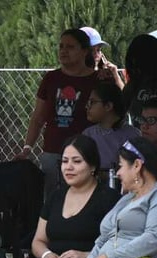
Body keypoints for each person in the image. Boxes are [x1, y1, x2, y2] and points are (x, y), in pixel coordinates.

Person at [0, 135, 119, 258]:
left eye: (76, 161)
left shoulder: (107, 198)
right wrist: (46, 255)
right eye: (65, 161)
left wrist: (82, 255)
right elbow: (38, 240)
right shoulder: (56, 196)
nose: (69, 167)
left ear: (92, 166)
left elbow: (116, 243)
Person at [16, 29, 103, 198]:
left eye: (70, 47)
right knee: (51, 203)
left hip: (86, 154)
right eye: (61, 46)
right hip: (52, 152)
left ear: (84, 51)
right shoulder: (51, 78)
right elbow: (38, 117)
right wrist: (27, 148)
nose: (63, 51)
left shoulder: (99, 80)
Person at [82, 83, 140, 175]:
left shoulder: (133, 135)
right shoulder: (88, 134)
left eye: (92, 102)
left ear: (108, 106)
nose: (87, 106)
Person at [122, 34, 157, 124]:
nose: (135, 66)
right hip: (140, 136)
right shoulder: (134, 84)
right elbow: (119, 109)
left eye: (138, 61)